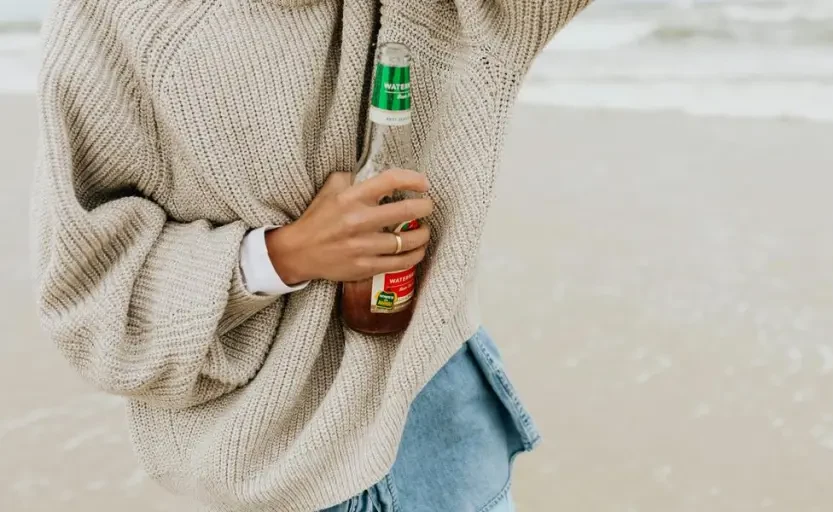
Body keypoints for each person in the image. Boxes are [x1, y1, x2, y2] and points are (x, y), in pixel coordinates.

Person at [30, 1, 590, 510]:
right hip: (281, 462)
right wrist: (281, 256)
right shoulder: (116, 17)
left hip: (442, 420)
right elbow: (90, 302)